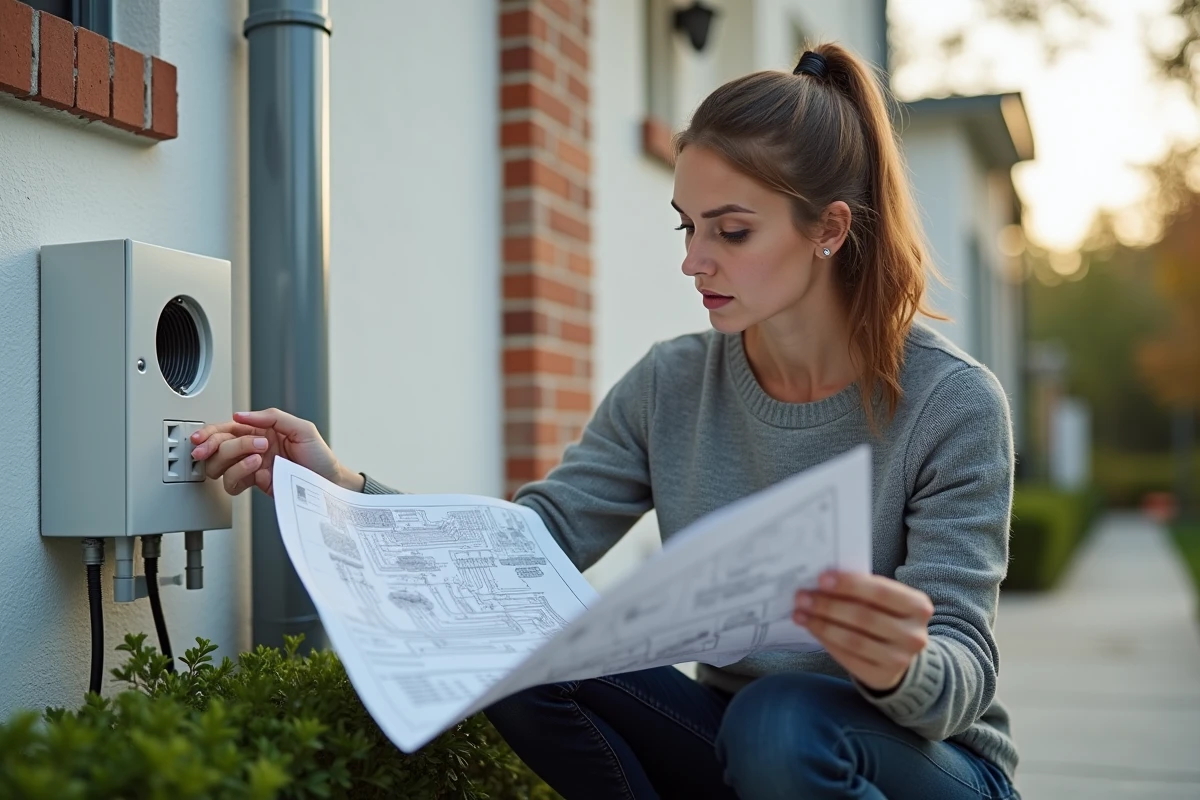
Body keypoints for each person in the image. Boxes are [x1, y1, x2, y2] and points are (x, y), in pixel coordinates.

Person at [191, 42, 1019, 800]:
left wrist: (896, 664)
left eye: (731, 231)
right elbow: (524, 547)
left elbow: (961, 674)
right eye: (687, 226)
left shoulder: (952, 406)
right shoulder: (673, 382)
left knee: (784, 717)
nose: (694, 260)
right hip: (746, 754)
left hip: (923, 762)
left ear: (829, 229)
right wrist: (342, 489)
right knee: (513, 633)